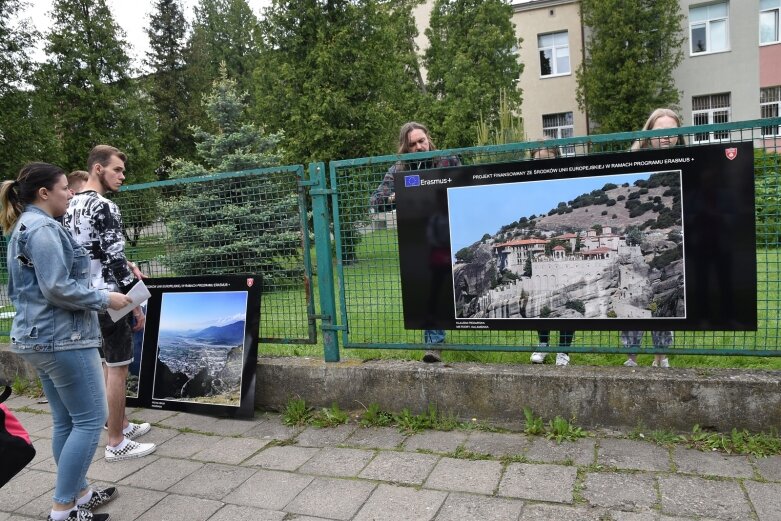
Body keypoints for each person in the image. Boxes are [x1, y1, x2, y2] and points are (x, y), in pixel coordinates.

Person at [1, 162, 133, 521]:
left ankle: (79, 494)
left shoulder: (24, 227)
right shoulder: (42, 229)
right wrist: (107, 298)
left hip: (40, 338)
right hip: (62, 340)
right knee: (92, 421)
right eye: (65, 189)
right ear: (45, 193)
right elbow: (58, 288)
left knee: (65, 422)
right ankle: (63, 509)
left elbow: (24, 289)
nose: (71, 193)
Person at [63, 145, 156, 461]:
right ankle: (116, 442)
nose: (123, 176)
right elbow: (114, 259)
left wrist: (124, 263)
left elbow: (91, 252)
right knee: (118, 368)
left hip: (84, 297)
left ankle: (119, 423)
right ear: (98, 169)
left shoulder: (70, 205)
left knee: (105, 364)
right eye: (117, 169)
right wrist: (136, 303)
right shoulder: (106, 207)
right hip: (111, 297)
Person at [370, 122, 460, 363]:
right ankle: (434, 345)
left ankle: (447, 334)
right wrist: (394, 196)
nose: (420, 147)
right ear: (406, 148)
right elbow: (376, 200)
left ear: (428, 138)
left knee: (451, 287)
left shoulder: (447, 160)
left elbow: (464, 186)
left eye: (422, 141)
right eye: (413, 144)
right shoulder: (398, 169)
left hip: (447, 232)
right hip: (418, 238)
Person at [622, 108, 684, 368]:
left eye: (671, 131)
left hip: (670, 247)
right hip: (637, 244)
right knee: (632, 299)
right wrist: (639, 142)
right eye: (660, 131)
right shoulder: (639, 162)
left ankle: (661, 357)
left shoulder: (686, 160)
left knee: (663, 300)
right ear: (650, 135)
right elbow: (622, 167)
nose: (666, 137)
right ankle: (631, 358)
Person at [526, 146, 576, 366]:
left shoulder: (567, 182)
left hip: (564, 255)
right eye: (538, 160)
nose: (543, 163)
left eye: (547, 159)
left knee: (567, 303)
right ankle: (544, 344)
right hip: (547, 254)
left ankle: (563, 350)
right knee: (542, 302)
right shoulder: (531, 186)